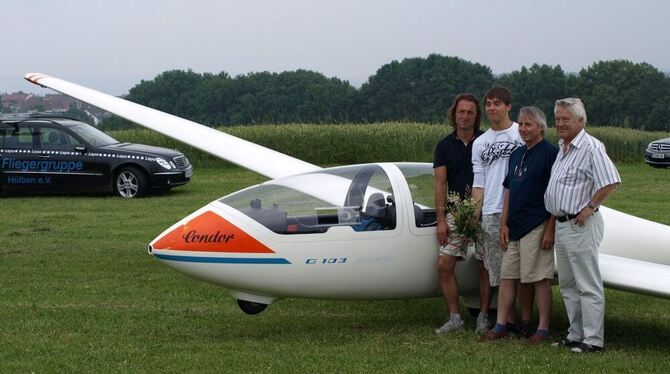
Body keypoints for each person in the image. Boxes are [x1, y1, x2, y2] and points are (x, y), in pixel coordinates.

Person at [544, 98, 621, 353]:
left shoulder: (590, 147)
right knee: (567, 283)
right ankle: (575, 334)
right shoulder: (563, 148)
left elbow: (609, 181)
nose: (560, 124)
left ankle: (593, 340)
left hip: (580, 224)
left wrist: (590, 207)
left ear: (580, 120)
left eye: (566, 119)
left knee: (587, 284)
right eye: (557, 119)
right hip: (564, 225)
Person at [478, 107, 558, 343]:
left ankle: (542, 328)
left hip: (537, 223)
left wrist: (550, 227)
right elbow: (508, 190)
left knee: (538, 278)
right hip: (513, 226)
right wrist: (504, 224)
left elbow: (556, 193)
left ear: (541, 127)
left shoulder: (550, 153)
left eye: (529, 125)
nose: (523, 129)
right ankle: (501, 324)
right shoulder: (517, 154)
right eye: (521, 124)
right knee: (507, 276)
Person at [471, 86, 525, 334]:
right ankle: (508, 319)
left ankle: (524, 320)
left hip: (520, 208)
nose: (492, 108)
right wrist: (474, 212)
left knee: (523, 268)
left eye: (497, 104)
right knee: (500, 269)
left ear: (508, 106)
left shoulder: (521, 133)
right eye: (489, 104)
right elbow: (479, 181)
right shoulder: (480, 143)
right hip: (491, 210)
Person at [433, 93, 484, 333]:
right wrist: (441, 220)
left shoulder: (486, 142)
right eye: (460, 112)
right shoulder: (444, 146)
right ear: (454, 114)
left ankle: (484, 316)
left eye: (470, 112)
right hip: (457, 213)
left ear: (476, 116)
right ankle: (455, 318)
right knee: (444, 263)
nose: (465, 116)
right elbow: (440, 184)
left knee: (486, 265)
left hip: (485, 211)